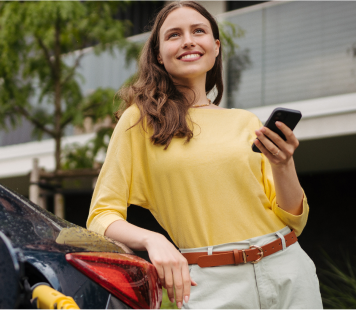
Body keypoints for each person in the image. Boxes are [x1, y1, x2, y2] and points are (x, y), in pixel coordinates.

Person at [86, 1, 322, 309]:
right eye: (174, 35)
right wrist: (153, 240)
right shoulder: (139, 121)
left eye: (198, 31)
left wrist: (283, 163)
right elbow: (101, 216)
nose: (188, 40)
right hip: (213, 285)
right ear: (159, 54)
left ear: (215, 46)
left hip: (289, 270)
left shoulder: (245, 121)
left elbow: (293, 219)